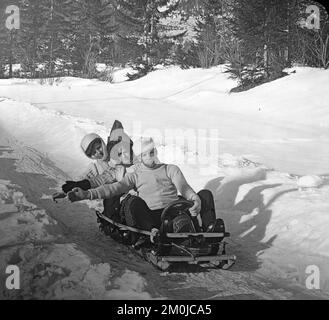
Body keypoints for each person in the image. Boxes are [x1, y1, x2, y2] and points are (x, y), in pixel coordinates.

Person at [68, 137, 219, 242]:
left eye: (152, 152)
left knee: (205, 194)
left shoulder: (170, 169)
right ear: (140, 156)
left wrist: (195, 198)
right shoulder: (134, 175)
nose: (150, 157)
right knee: (133, 202)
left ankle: (209, 230)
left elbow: (184, 187)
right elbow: (112, 188)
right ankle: (152, 232)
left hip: (174, 210)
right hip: (152, 215)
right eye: (145, 154)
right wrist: (86, 194)